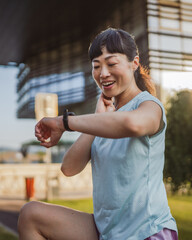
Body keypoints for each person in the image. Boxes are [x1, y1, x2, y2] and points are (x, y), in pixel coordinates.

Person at [18, 28, 178, 240]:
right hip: (108, 232)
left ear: (135, 64)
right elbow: (68, 168)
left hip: (147, 232)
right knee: (31, 215)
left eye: (111, 64)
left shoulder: (149, 105)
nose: (103, 74)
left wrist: (64, 122)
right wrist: (96, 116)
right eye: (96, 66)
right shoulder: (104, 120)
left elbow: (133, 124)